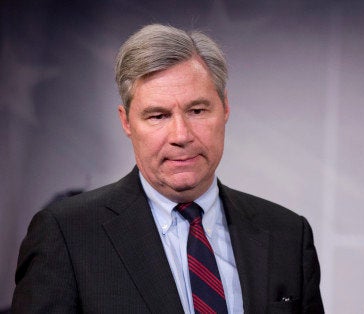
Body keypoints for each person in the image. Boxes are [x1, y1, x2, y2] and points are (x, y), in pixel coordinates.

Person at [12, 24, 324, 314]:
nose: (181, 135)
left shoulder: (288, 235)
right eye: (158, 116)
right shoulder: (66, 235)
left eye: (197, 110)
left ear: (225, 108)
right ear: (126, 122)